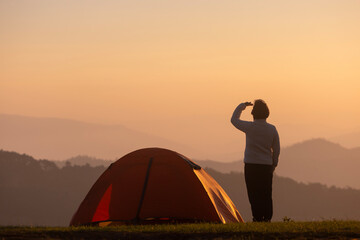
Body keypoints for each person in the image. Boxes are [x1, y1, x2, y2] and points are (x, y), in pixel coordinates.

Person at [230, 99, 280, 222]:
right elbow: (276, 148)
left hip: (251, 165)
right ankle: (267, 218)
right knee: (266, 193)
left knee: (253, 193)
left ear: (253, 113)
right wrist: (274, 163)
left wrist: (242, 106)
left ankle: (257, 217)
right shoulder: (272, 129)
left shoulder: (249, 127)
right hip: (266, 166)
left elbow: (234, 120)